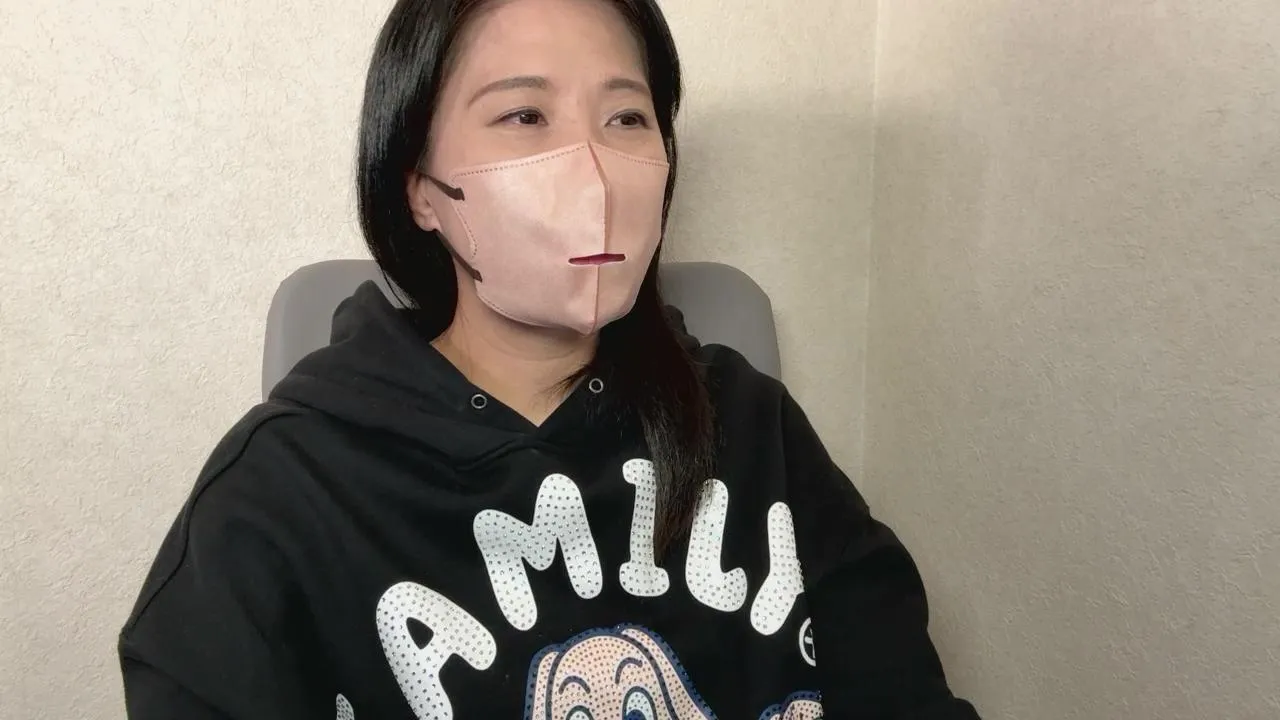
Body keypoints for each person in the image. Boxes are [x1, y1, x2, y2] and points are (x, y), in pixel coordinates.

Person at [118, 0, 980, 717]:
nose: (594, 174)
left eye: (627, 118)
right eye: (525, 115)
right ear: (420, 189)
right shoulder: (282, 490)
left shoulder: (753, 426)